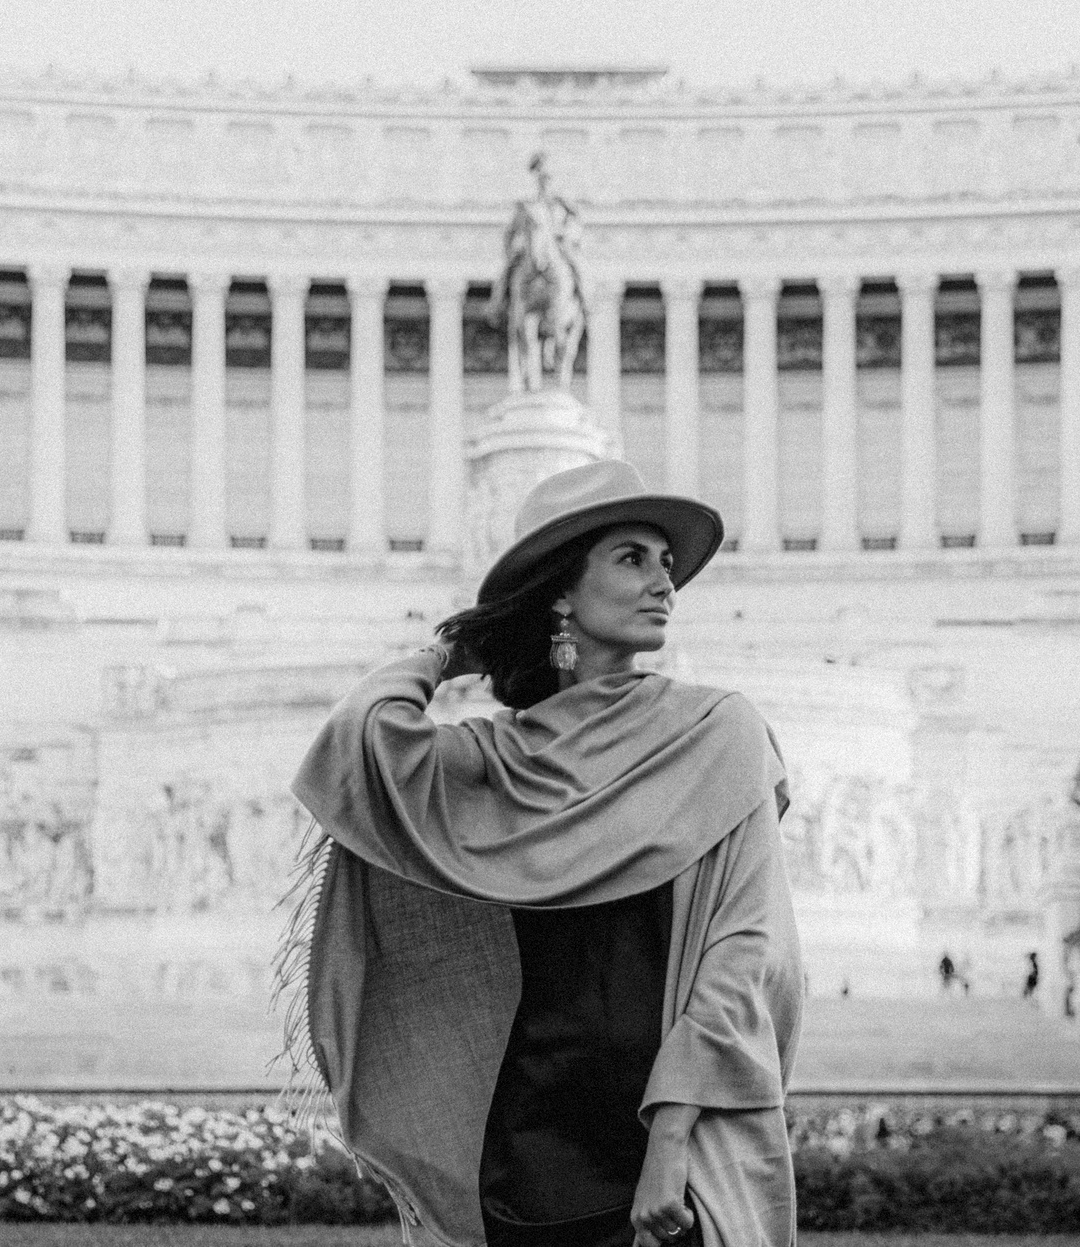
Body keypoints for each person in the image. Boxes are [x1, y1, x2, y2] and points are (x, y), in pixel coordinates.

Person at [285, 461, 802, 1247]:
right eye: (632, 557)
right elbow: (361, 745)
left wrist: (670, 1140)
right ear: (562, 589)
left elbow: (745, 952)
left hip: (675, 1147)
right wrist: (451, 651)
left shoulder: (719, 734)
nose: (664, 581)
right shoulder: (497, 757)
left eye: (667, 562)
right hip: (527, 1151)